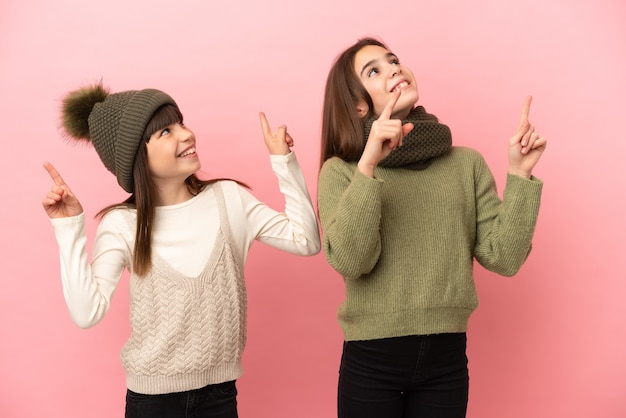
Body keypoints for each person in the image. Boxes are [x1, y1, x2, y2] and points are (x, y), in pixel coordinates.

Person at [42, 82, 320, 418]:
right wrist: (68, 228)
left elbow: (306, 240)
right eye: (165, 132)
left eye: (182, 124)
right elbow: (87, 313)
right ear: (136, 156)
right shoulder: (122, 225)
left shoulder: (229, 199)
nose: (186, 135)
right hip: (151, 403)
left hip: (220, 398)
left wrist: (283, 162)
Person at [317, 37, 547, 418]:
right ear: (358, 105)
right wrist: (368, 167)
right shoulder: (341, 171)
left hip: (446, 360)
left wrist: (520, 175)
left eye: (394, 60)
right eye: (374, 70)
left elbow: (504, 258)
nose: (394, 68)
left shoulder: (465, 163)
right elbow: (352, 260)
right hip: (371, 362)